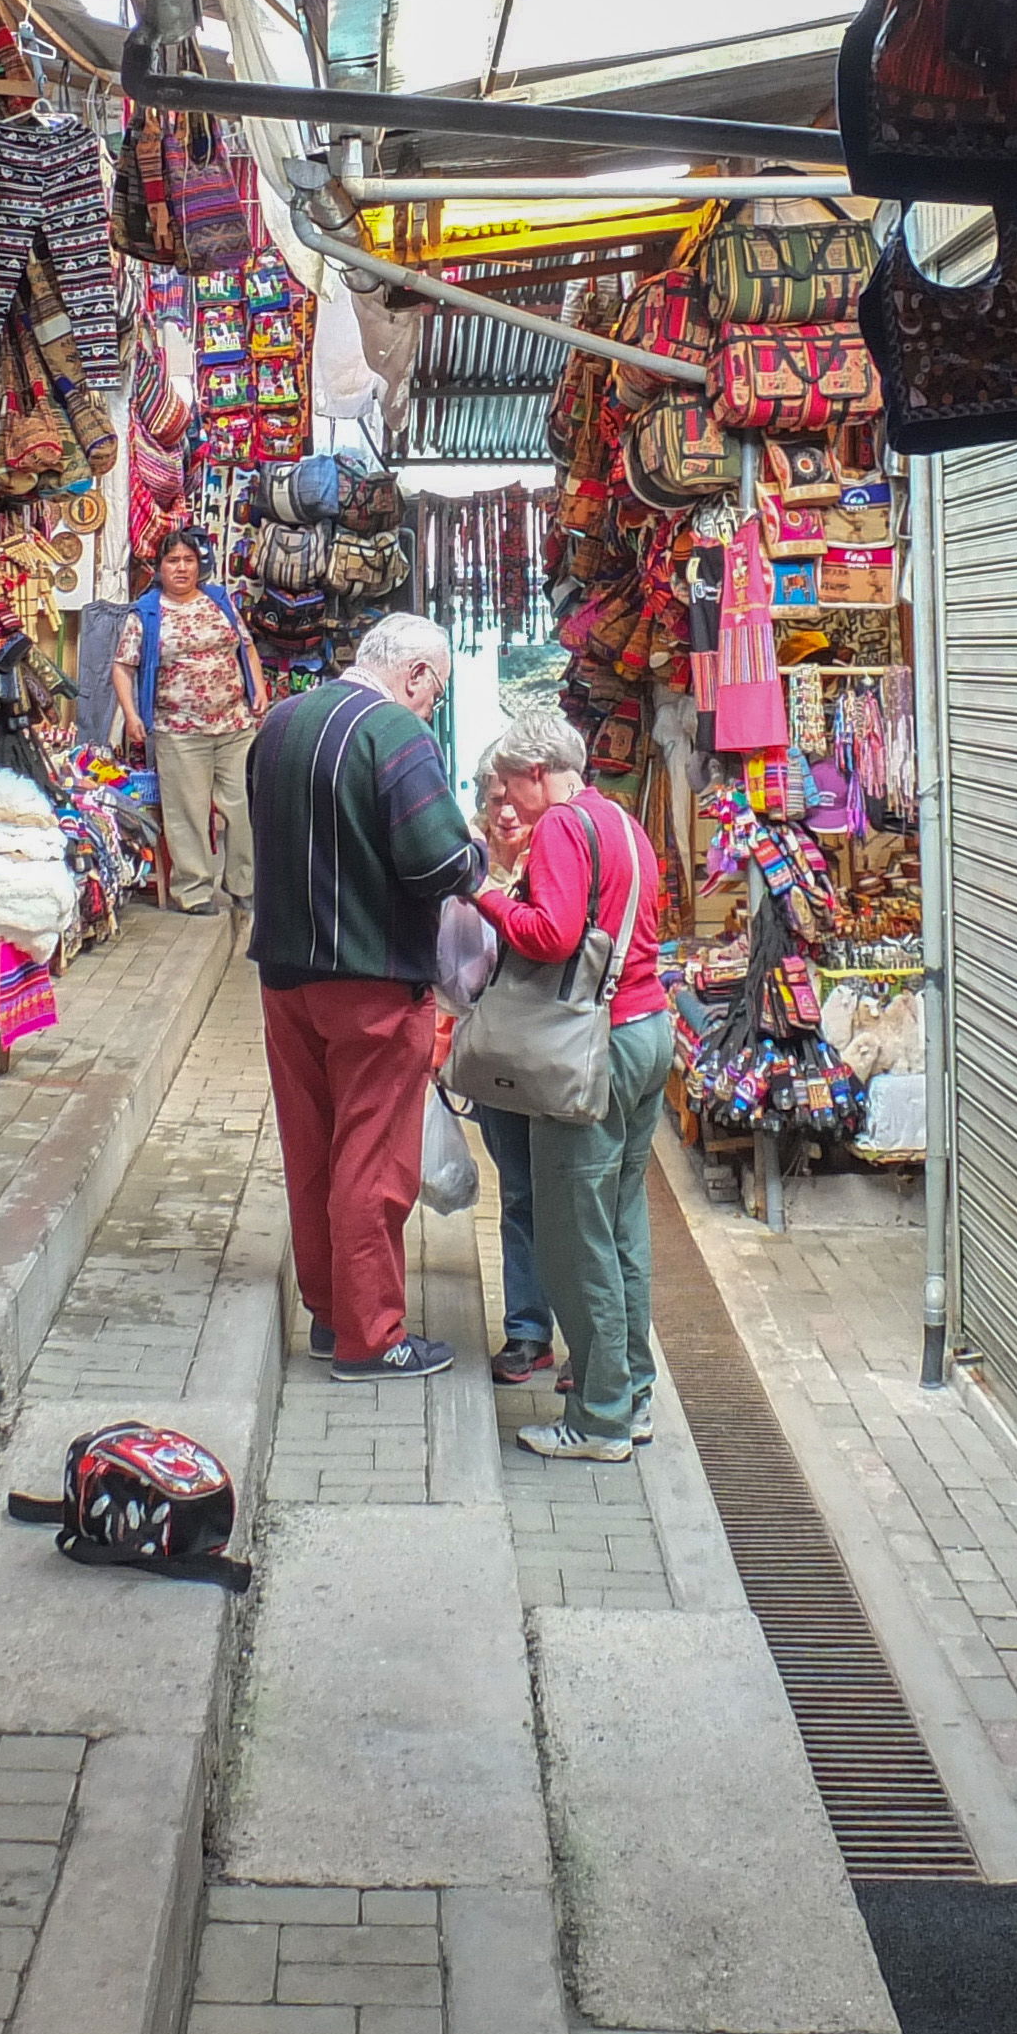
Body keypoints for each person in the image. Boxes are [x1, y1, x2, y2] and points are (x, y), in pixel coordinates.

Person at [247, 612, 482, 1379]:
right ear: (415, 674)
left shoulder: (281, 722)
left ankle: (329, 1314)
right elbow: (435, 861)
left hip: (286, 973)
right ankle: (371, 1337)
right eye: (435, 694)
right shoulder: (396, 735)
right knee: (373, 1160)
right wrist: (479, 856)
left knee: (311, 1148)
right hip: (372, 978)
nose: (431, 709)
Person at [474, 711, 672, 1461]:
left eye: (509, 787)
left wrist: (489, 895)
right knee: (622, 1225)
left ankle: (598, 1420)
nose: (508, 805)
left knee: (574, 1236)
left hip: (592, 1048)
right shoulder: (620, 821)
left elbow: (551, 935)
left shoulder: (559, 825)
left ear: (533, 772)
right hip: (648, 1030)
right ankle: (634, 1394)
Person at [115, 530, 266, 915]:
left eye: (188, 560)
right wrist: (132, 715)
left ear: (199, 565)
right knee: (189, 812)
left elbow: (245, 646)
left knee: (245, 807)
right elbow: (123, 667)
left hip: (234, 724)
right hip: (179, 731)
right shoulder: (146, 613)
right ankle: (194, 891)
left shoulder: (220, 601)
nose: (181, 568)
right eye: (172, 561)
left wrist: (259, 689)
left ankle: (243, 884)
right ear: (158, 568)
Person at [465, 752, 556, 1386]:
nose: (504, 811)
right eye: (493, 798)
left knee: (575, 1196)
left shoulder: (558, 856)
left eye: (513, 797)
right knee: (520, 1191)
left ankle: (585, 1335)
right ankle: (528, 1330)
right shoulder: (468, 866)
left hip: (558, 1052)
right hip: (498, 1056)